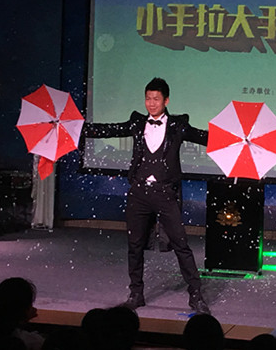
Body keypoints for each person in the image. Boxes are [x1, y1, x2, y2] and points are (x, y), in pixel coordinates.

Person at [84, 77, 210, 314]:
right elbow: (108, 130)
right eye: (148, 98)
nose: (151, 103)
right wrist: (77, 129)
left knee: (181, 244)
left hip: (165, 193)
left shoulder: (178, 126)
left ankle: (196, 295)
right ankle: (136, 293)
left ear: (166, 101)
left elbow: (205, 137)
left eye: (156, 99)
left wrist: (235, 140)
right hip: (139, 193)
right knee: (135, 245)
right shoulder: (137, 123)